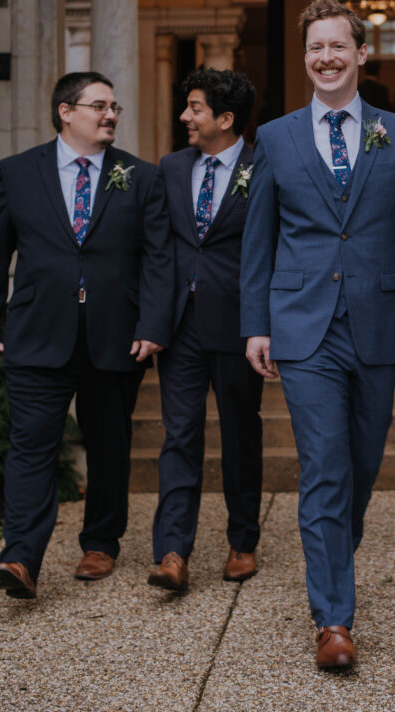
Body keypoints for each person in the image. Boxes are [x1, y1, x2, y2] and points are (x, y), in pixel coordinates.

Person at [240, 0, 395, 669]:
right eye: (316, 48)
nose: (327, 58)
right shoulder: (275, 138)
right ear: (305, 56)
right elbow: (257, 242)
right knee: (325, 467)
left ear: (362, 54)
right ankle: (334, 620)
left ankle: (333, 545)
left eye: (338, 46)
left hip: (375, 320)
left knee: (362, 463)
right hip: (302, 326)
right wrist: (256, 324)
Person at [0, 72, 173, 599]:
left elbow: (159, 259)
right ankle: (21, 557)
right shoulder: (18, 172)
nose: (111, 114)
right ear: (66, 112)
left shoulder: (141, 177)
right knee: (30, 445)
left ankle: (101, 542)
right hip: (36, 333)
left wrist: (154, 325)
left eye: (114, 106)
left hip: (116, 335)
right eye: (99, 105)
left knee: (109, 443)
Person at [148, 68, 263, 592]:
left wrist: (266, 324)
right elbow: (157, 250)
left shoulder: (264, 167)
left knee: (240, 434)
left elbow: (274, 248)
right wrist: (152, 321)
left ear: (225, 118)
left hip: (239, 323)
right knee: (180, 434)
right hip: (180, 324)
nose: (184, 118)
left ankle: (242, 541)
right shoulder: (171, 167)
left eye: (194, 108)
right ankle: (172, 551)